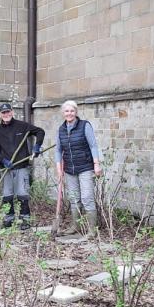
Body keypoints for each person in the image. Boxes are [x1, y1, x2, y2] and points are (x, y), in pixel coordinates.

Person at [0, 103, 45, 229]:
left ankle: (25, 220)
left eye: (8, 112)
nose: (6, 114)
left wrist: (37, 147)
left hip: (22, 166)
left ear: (12, 112)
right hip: (6, 168)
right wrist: (3, 160)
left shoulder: (22, 126)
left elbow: (40, 131)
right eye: (3, 113)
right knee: (7, 194)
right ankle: (8, 220)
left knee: (22, 194)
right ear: (0, 114)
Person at [55, 100, 103, 236]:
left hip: (85, 167)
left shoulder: (84, 126)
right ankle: (75, 227)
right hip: (70, 169)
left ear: (76, 112)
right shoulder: (61, 129)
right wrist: (59, 170)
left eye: (72, 111)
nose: (69, 113)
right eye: (66, 111)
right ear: (63, 113)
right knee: (74, 197)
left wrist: (96, 164)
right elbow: (58, 150)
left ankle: (92, 230)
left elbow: (93, 145)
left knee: (87, 197)